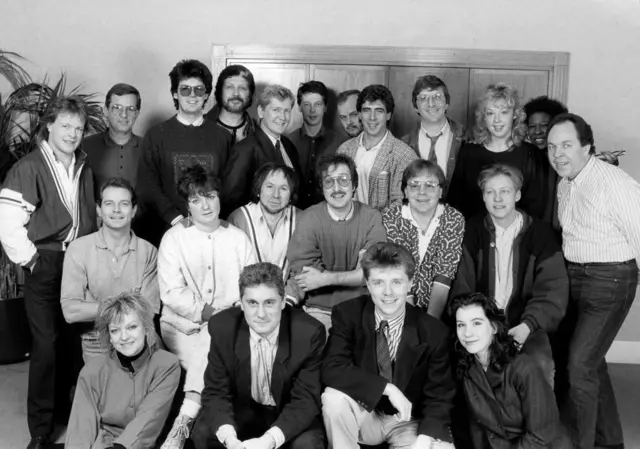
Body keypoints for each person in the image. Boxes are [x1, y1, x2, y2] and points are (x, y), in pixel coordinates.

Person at [0, 96, 97, 449]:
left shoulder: (83, 166)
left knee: (72, 340)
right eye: (66, 126)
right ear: (49, 126)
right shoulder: (29, 166)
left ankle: (65, 414)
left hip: (78, 261)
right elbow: (8, 224)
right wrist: (33, 262)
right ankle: (40, 430)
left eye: (79, 127)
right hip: (46, 260)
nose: (73, 133)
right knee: (45, 343)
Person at [547, 113, 640, 449]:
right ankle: (610, 440)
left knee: (579, 366)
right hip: (576, 277)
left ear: (587, 146)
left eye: (567, 145)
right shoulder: (564, 184)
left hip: (611, 279)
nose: (558, 153)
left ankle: (579, 444)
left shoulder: (615, 183)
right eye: (552, 146)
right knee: (592, 363)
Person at [158, 165, 256, 449]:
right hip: (182, 328)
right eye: (196, 199)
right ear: (186, 205)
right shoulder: (173, 238)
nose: (205, 205)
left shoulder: (238, 238)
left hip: (229, 328)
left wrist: (224, 319)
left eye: (210, 196)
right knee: (216, 364)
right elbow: (172, 293)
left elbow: (250, 288)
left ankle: (183, 424)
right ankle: (217, 434)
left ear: (219, 197)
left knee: (215, 343)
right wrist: (212, 315)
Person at [321, 242, 456, 449]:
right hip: (364, 414)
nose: (387, 292)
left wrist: (425, 439)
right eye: (378, 282)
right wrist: (387, 388)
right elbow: (332, 368)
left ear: (410, 283)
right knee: (333, 399)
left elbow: (440, 396)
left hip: (408, 422)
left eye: (396, 282)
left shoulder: (434, 331)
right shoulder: (348, 314)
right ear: (367, 283)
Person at [450, 164, 568, 386]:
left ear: (518, 194)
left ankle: (536, 421)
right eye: (490, 192)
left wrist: (527, 326)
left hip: (527, 324)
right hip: (481, 324)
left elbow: (553, 292)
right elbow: (462, 288)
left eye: (504, 191)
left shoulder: (541, 235)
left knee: (541, 369)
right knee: (473, 375)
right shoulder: (470, 231)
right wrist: (479, 326)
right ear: (483, 197)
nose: (497, 198)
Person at [191, 262, 326, 449]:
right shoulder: (223, 327)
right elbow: (216, 392)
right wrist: (230, 440)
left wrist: (268, 441)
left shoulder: (308, 333)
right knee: (203, 432)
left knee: (309, 444)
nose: (260, 314)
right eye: (252, 303)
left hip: (287, 412)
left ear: (283, 300)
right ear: (241, 303)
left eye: (269, 303)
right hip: (242, 410)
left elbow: (305, 400)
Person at [450, 293, 569, 449]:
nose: (467, 333)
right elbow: (478, 427)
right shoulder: (468, 367)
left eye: (476, 323)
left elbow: (541, 435)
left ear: (493, 327)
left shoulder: (524, 369)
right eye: (461, 325)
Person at [61, 177, 160, 361]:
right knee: (105, 388)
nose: (116, 210)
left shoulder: (148, 251)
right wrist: (130, 301)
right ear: (99, 209)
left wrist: (94, 306)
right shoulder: (78, 249)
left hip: (138, 340)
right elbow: (70, 312)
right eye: (109, 204)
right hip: (96, 341)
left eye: (124, 204)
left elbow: (149, 310)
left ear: (134, 210)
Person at [65, 291, 180, 449]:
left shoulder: (167, 365)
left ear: (146, 328)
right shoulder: (92, 371)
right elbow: (81, 428)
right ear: (109, 337)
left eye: (131, 327)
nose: (123, 337)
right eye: (115, 330)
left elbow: (149, 419)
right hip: (103, 442)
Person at [286, 154, 387, 331]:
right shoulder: (309, 218)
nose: (336, 188)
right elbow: (306, 276)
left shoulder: (371, 217)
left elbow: (371, 272)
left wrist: (325, 278)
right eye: (328, 182)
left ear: (354, 185)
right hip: (319, 310)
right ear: (322, 188)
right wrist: (353, 276)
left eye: (343, 180)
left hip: (362, 309)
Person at [136, 59, 232, 246]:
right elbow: (147, 186)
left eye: (199, 89)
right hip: (166, 231)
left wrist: (209, 219)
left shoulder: (222, 137)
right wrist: (176, 219)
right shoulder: (156, 135)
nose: (192, 95)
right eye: (185, 89)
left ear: (206, 95)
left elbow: (227, 185)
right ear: (175, 93)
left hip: (211, 232)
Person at [447, 83, 549, 222]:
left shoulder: (530, 154)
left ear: (515, 115)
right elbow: (456, 203)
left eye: (504, 112)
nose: (497, 120)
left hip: (518, 236)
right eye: (490, 113)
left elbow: (536, 207)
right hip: (473, 235)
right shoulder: (468, 153)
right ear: (484, 117)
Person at [383, 159, 464, 318]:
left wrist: (429, 324)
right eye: (414, 185)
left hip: (440, 310)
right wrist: (412, 325)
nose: (422, 192)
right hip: (397, 304)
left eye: (430, 185)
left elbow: (444, 275)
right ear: (405, 191)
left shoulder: (453, 218)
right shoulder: (391, 217)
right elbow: (400, 274)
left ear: (441, 191)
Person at [222, 84, 302, 217]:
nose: (282, 117)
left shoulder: (289, 146)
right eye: (276, 109)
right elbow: (230, 200)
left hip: (287, 226)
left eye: (287, 111)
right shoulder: (245, 149)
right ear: (260, 111)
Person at [337, 84, 419, 211]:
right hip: (347, 227)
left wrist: (371, 225)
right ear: (359, 114)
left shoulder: (405, 155)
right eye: (367, 110)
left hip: (383, 228)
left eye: (379, 111)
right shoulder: (344, 150)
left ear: (388, 115)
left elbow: (403, 203)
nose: (372, 118)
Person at [228, 163, 301, 279]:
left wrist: (290, 297)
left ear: (291, 195)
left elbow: (303, 269)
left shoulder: (302, 219)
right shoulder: (238, 219)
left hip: (289, 295)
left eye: (283, 188)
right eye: (269, 186)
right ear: (258, 190)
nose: (276, 195)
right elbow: (231, 269)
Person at [401, 75, 466, 186]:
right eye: (423, 98)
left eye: (437, 96)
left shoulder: (466, 138)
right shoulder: (404, 145)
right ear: (415, 106)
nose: (431, 104)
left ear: (447, 104)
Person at [288, 80, 342, 208]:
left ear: (325, 107)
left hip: (329, 214)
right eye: (307, 104)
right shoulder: (288, 142)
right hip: (295, 214)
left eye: (318, 104)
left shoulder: (340, 143)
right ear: (299, 107)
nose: (312, 110)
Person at [83, 83, 144, 190]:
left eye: (130, 109)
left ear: (137, 113)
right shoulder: (85, 146)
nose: (124, 114)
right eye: (117, 108)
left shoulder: (150, 149)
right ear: (106, 111)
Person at [206, 64, 257, 145]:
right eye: (230, 87)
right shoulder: (199, 127)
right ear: (220, 91)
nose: (236, 93)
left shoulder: (258, 133)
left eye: (242, 88)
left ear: (250, 94)